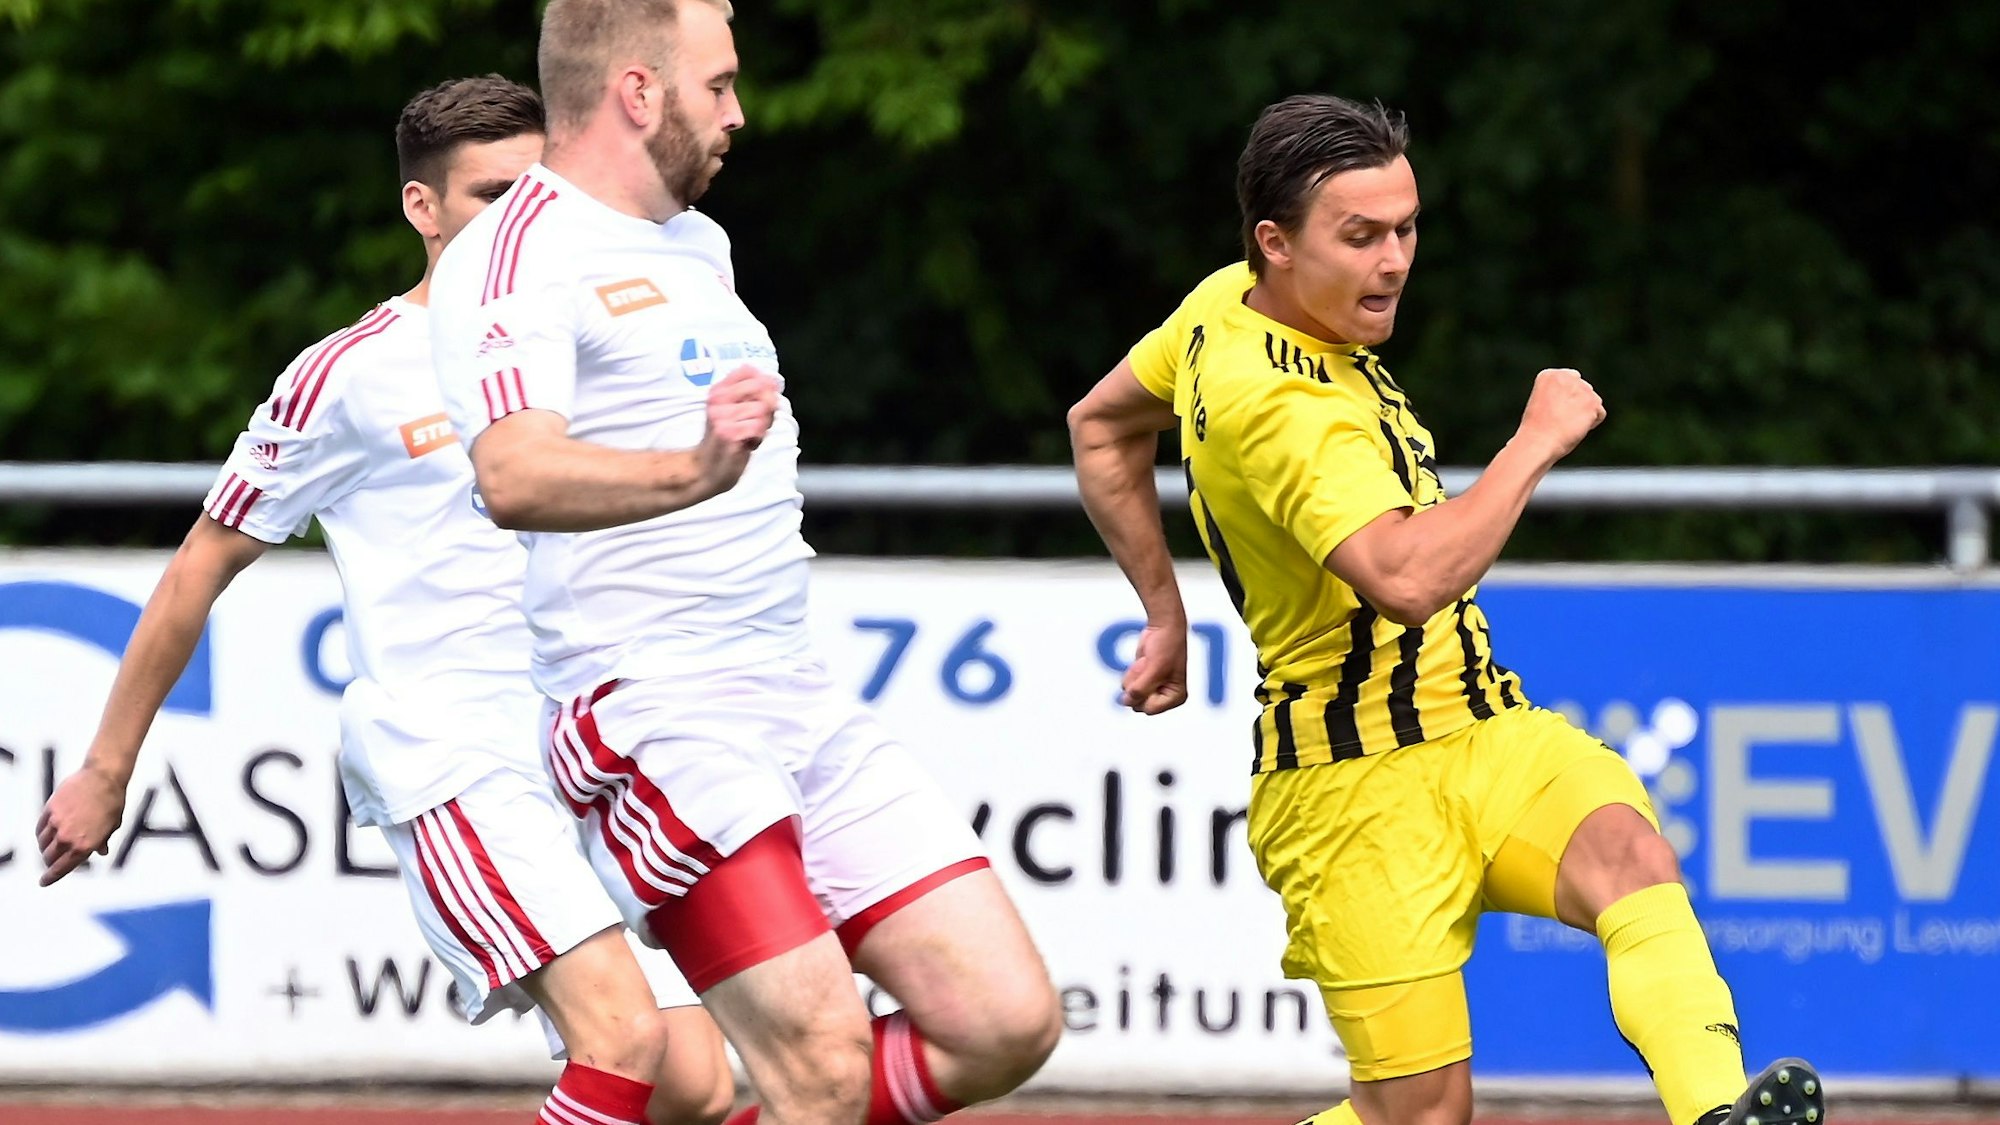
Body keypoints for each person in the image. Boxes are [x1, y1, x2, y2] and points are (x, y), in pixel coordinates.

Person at [1067, 94, 1825, 1125]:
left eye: (1405, 227)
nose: (1392, 261)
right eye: (1360, 235)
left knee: (1630, 857)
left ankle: (1711, 1116)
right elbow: (1406, 577)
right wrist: (1533, 442)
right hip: (1350, 792)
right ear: (1274, 243)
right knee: (1418, 1113)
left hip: (1477, 726)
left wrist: (1164, 612)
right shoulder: (1280, 409)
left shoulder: (1216, 306)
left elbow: (1100, 427)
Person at [35, 75, 734, 1125]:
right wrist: (104, 769)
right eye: (490, 195)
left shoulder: (592, 339)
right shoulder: (348, 376)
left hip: (593, 744)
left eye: (536, 191)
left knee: (698, 1087)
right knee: (624, 1044)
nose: (521, 221)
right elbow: (199, 565)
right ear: (422, 209)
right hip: (452, 749)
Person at [427, 5, 1062, 1125]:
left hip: (790, 689)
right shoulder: (516, 252)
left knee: (1003, 1023)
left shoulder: (695, 242)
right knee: (816, 1064)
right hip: (652, 706)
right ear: (636, 90)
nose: (737, 114)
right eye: (716, 86)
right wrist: (693, 468)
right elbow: (513, 474)